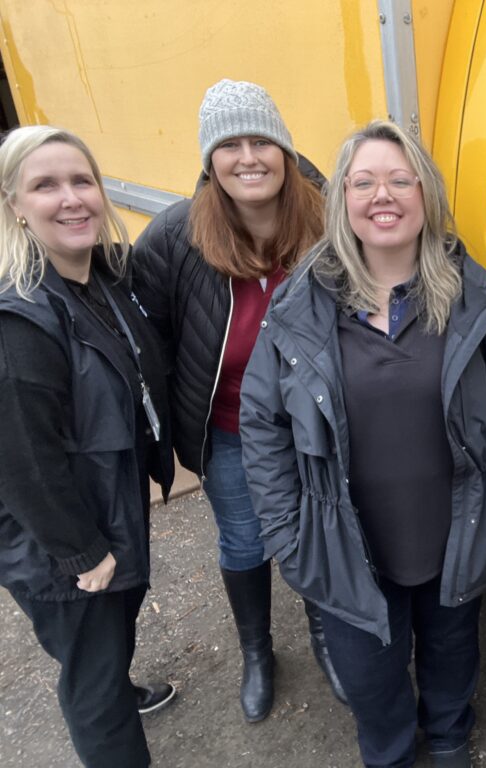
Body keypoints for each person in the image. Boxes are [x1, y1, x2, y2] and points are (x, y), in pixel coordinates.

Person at [239, 119, 486, 768]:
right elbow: (261, 425)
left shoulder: (479, 301)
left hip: (455, 531)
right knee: (369, 675)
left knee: (453, 649)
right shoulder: (301, 306)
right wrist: (284, 534)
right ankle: (388, 754)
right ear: (342, 203)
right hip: (347, 540)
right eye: (363, 182)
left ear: (425, 193)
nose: (382, 195)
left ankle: (446, 738)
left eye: (398, 179)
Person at [131, 79, 346, 722]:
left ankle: (326, 635)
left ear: (284, 149)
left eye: (262, 140)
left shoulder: (330, 217)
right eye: (230, 145)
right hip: (228, 430)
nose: (248, 156)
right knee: (245, 540)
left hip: (316, 425)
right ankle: (258, 651)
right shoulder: (175, 237)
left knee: (317, 524)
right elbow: (151, 341)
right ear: (209, 160)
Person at [0, 125, 176, 767]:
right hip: (59, 535)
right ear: (15, 204)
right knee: (91, 681)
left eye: (82, 181)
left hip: (106, 500)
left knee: (109, 638)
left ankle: (117, 683)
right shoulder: (18, 317)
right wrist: (81, 551)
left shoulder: (97, 279)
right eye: (45, 186)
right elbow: (21, 461)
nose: (71, 198)